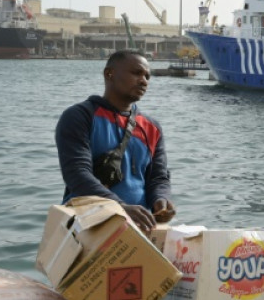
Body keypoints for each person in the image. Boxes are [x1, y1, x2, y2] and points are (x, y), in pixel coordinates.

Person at [56, 49, 175, 231]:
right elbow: (77, 174)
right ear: (109, 74)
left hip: (139, 228)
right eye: (136, 73)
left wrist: (161, 200)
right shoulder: (80, 116)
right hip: (88, 226)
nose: (143, 80)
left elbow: (158, 177)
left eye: (147, 77)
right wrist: (119, 207)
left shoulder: (152, 127)